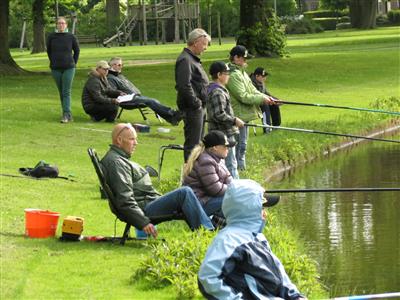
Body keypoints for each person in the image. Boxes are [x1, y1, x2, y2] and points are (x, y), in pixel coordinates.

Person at [198, 179, 306, 300]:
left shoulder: (258, 238)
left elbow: (279, 275)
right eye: (261, 209)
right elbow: (208, 277)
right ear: (247, 211)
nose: (265, 214)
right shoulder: (229, 240)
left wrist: (295, 296)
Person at [100, 123, 214, 238]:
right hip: (144, 209)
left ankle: (214, 228)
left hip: (147, 203)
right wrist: (143, 222)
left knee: (200, 198)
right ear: (119, 140)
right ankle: (208, 233)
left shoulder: (118, 159)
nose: (136, 143)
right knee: (184, 192)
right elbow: (125, 199)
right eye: (132, 139)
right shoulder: (116, 163)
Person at [226, 45, 276, 171]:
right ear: (236, 58)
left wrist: (267, 98)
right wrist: (262, 99)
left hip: (245, 114)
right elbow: (243, 96)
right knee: (239, 145)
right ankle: (237, 171)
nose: (246, 61)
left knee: (243, 144)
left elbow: (253, 90)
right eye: (244, 58)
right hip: (237, 114)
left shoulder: (242, 73)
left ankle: (242, 170)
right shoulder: (233, 75)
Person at [107, 57, 182, 125]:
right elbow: (112, 92)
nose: (121, 66)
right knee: (151, 101)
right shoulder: (110, 78)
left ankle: (172, 117)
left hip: (134, 96)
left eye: (122, 64)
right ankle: (173, 114)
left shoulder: (119, 75)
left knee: (153, 101)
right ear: (113, 65)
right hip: (127, 100)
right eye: (119, 65)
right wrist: (122, 94)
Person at [175, 28, 211, 162]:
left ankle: (198, 173)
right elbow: (184, 85)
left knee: (199, 143)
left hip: (198, 107)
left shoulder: (192, 59)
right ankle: (190, 176)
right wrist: (196, 103)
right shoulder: (186, 60)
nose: (205, 48)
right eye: (204, 44)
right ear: (196, 42)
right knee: (193, 144)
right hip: (193, 108)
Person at [206, 61, 244, 179]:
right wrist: (234, 120)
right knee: (230, 164)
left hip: (223, 134)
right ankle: (236, 191)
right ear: (218, 75)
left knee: (226, 164)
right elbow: (218, 114)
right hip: (223, 134)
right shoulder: (217, 92)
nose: (228, 76)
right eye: (226, 73)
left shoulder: (218, 89)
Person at [182, 130, 233, 218]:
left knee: (236, 198)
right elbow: (215, 189)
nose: (227, 149)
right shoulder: (206, 162)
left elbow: (229, 180)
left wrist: (239, 188)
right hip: (197, 204)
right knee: (233, 200)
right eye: (225, 146)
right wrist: (235, 190)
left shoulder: (219, 160)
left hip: (207, 199)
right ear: (215, 148)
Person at [46, 16, 80, 123]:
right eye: (59, 23)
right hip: (55, 68)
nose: (61, 25)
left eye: (63, 23)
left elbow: (77, 51)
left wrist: (73, 63)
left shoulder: (71, 37)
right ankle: (66, 113)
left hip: (69, 67)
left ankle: (66, 114)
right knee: (61, 92)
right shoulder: (51, 37)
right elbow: (49, 51)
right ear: (56, 25)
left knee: (66, 91)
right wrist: (53, 61)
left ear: (66, 25)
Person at [250, 67, 282, 134]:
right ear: (257, 76)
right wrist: (267, 99)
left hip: (262, 100)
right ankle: (267, 129)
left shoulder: (261, 82)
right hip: (252, 102)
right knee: (265, 105)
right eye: (263, 76)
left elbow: (266, 93)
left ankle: (276, 127)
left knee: (274, 105)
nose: (265, 78)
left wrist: (276, 100)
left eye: (265, 76)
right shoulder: (250, 83)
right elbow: (254, 95)